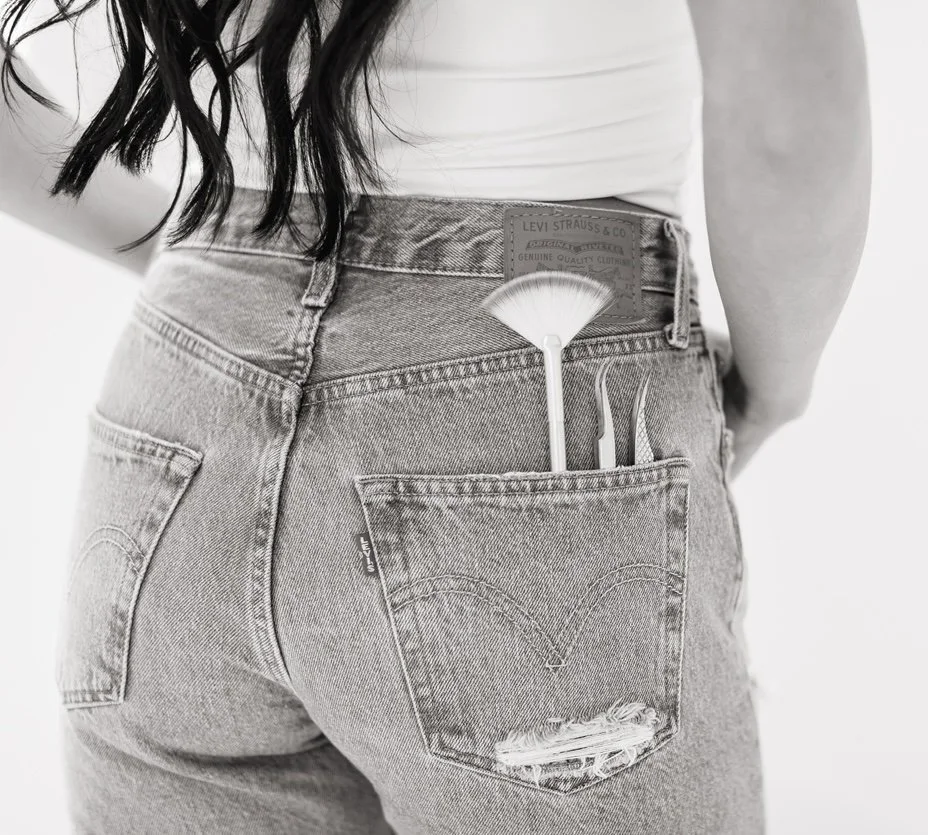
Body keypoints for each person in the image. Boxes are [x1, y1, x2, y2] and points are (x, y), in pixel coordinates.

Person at [1, 1, 870, 832]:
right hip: (533, 370)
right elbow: (787, 128)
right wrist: (775, 382)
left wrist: (217, 255)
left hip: (180, 405)